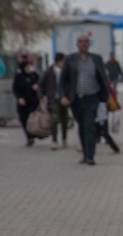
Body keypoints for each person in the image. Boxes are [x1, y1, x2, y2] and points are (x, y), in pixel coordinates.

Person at [59, 34, 113, 166]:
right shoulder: (70, 59)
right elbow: (62, 80)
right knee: (81, 126)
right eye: (80, 41)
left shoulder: (96, 59)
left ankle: (90, 156)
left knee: (89, 126)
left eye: (85, 42)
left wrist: (105, 96)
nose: (83, 44)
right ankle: (84, 154)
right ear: (77, 44)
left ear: (89, 44)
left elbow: (103, 78)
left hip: (92, 97)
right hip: (76, 98)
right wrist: (63, 96)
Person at [38, 53, 71, 150]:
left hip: (64, 98)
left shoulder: (66, 72)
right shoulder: (49, 72)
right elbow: (41, 84)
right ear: (58, 61)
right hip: (53, 99)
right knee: (54, 119)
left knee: (65, 119)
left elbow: (69, 85)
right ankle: (54, 140)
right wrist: (41, 96)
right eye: (63, 61)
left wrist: (68, 96)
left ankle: (64, 139)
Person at [12, 60, 40, 147]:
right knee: (24, 120)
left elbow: (41, 82)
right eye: (26, 67)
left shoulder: (33, 75)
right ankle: (29, 137)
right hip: (23, 102)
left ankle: (35, 133)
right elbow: (15, 89)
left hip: (33, 102)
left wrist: (37, 86)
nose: (28, 69)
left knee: (33, 119)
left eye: (29, 67)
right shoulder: (18, 77)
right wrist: (19, 98)